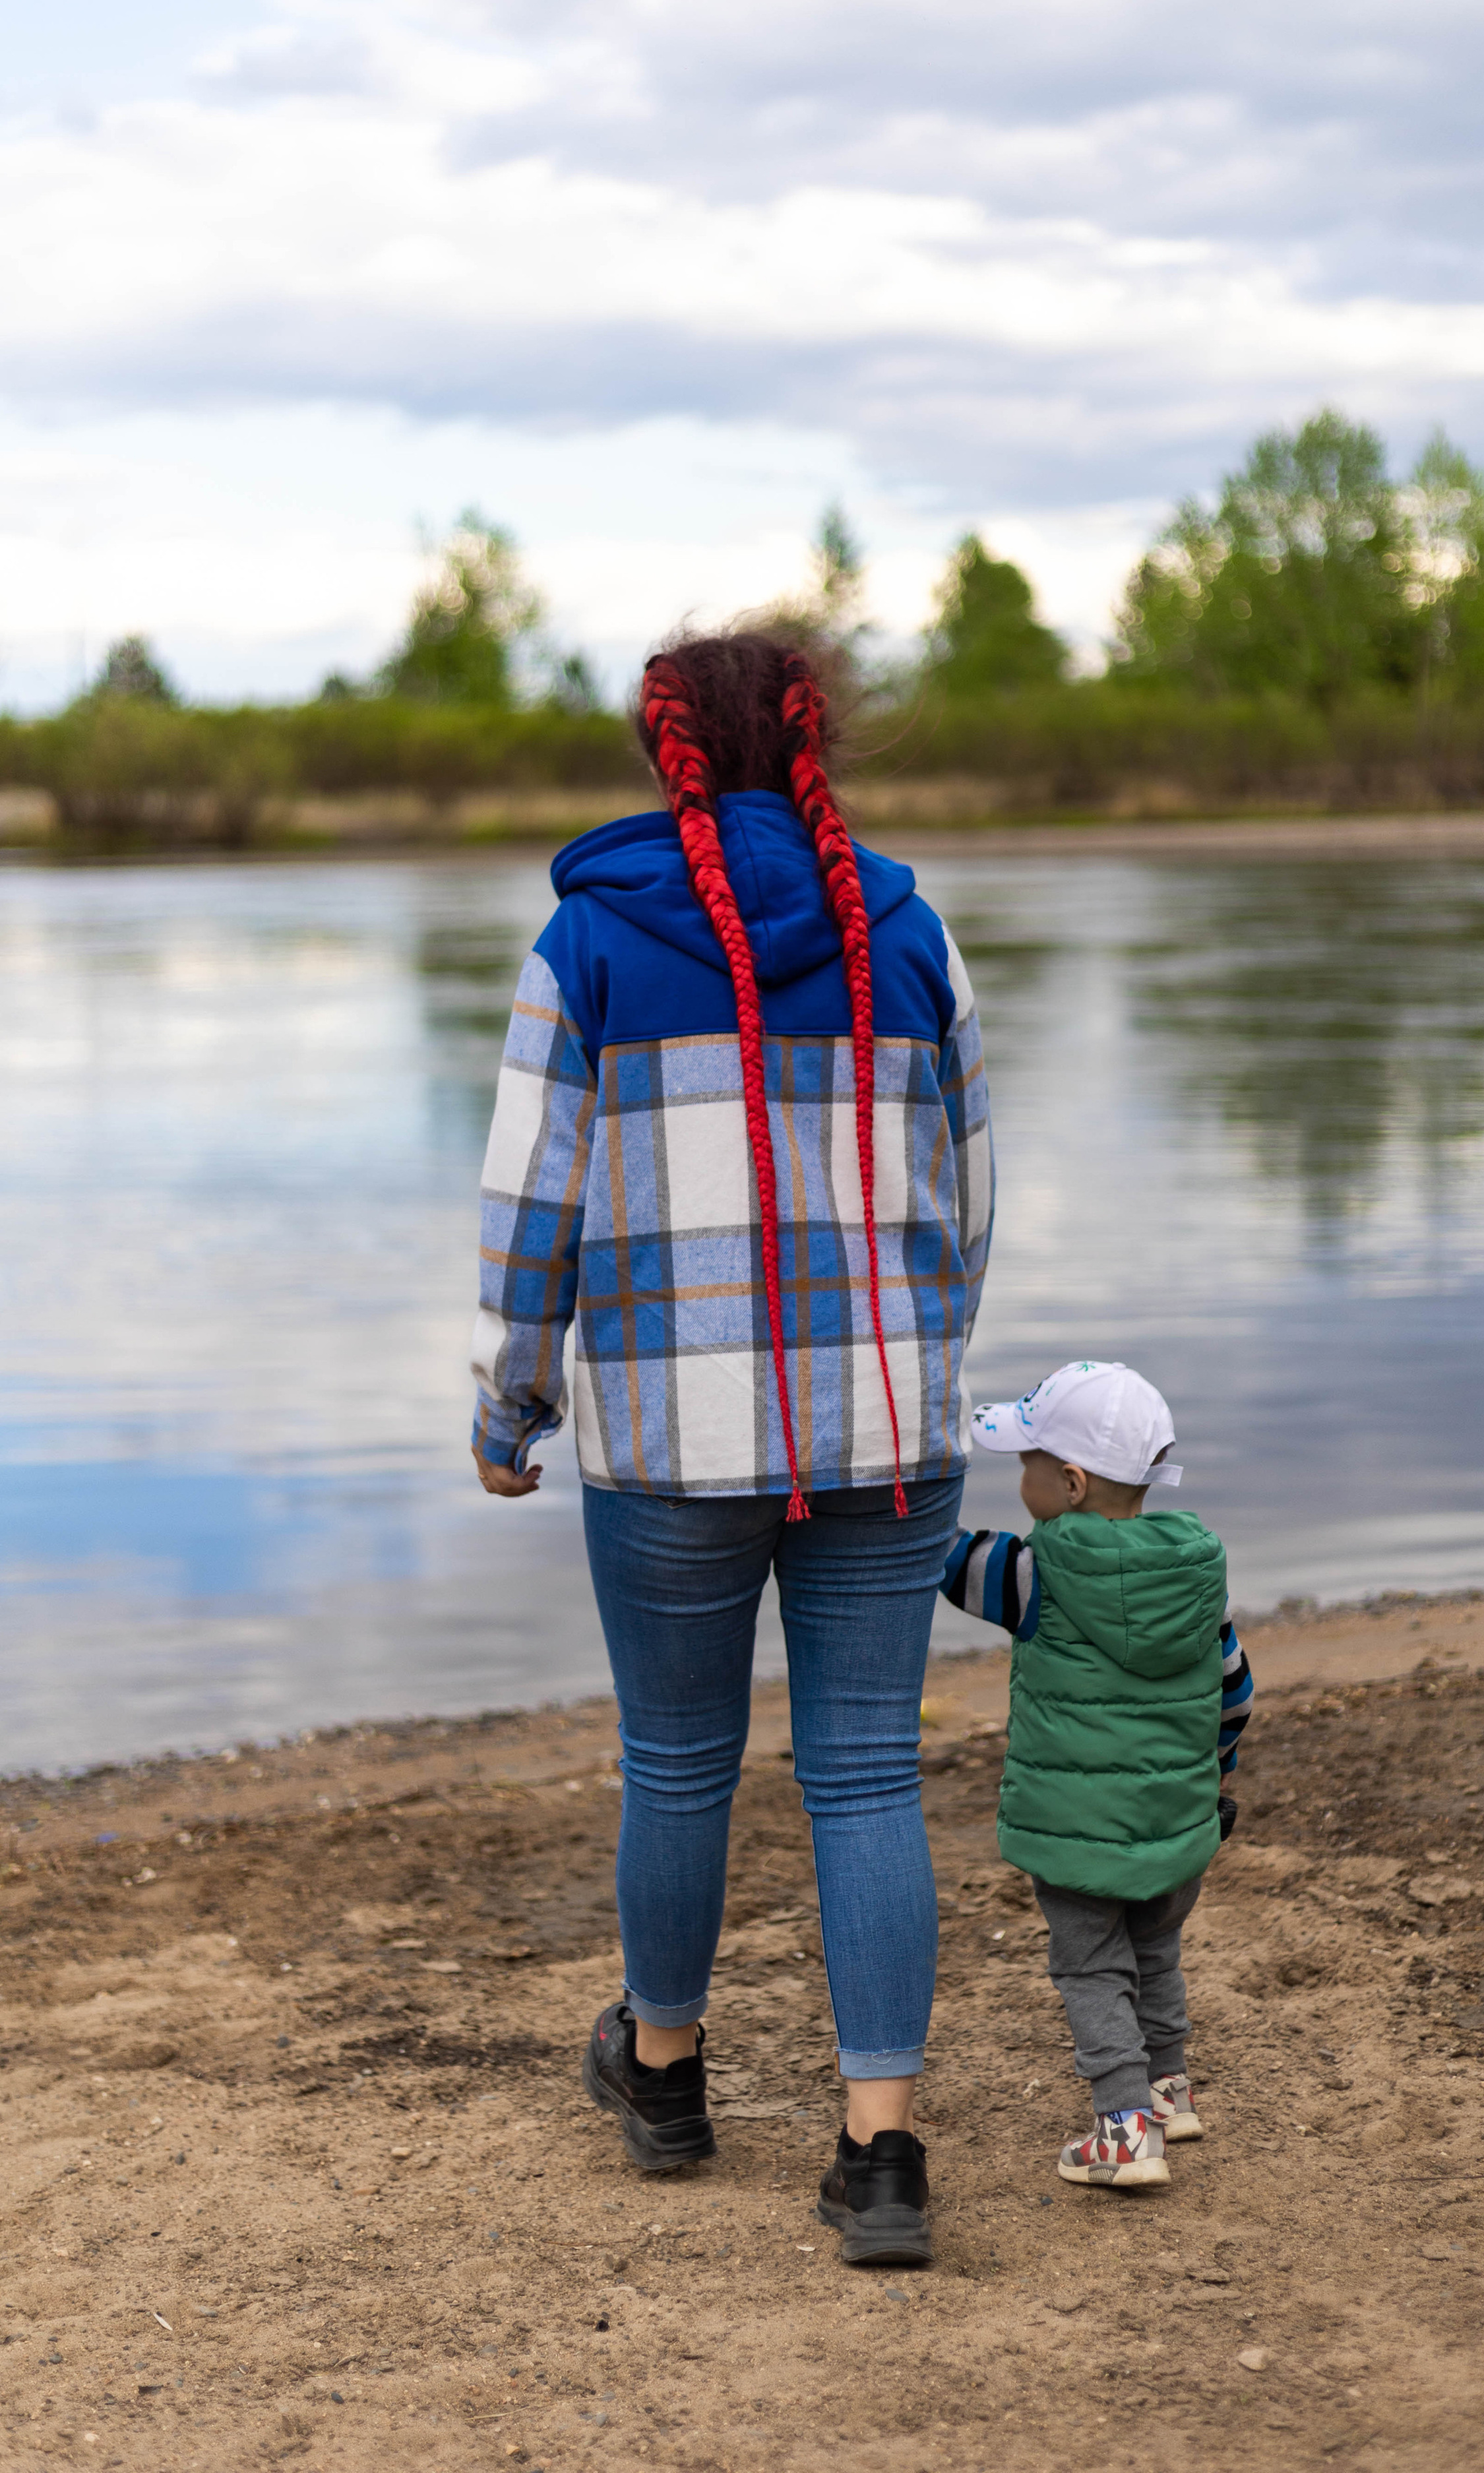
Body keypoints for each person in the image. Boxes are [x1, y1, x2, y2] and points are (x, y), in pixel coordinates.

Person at [469, 633, 993, 2267]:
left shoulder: (588, 940)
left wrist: (510, 1401)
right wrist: (918, 1357)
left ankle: (668, 2077)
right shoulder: (902, 930)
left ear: (665, 751)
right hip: (884, 1436)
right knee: (861, 1771)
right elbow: (968, 1199)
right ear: (809, 741)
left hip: (664, 1446)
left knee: (677, 1759)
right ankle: (880, 2155)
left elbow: (528, 1202)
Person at [939, 1360, 1252, 2191]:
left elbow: (943, 1558)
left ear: (1070, 1484)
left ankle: (1124, 2129)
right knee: (1156, 1945)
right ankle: (1167, 2089)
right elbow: (1233, 1694)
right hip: (1178, 1817)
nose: (1020, 1480)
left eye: (1027, 1464)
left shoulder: (1036, 1573)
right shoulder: (1194, 1575)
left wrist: (893, 1490)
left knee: (1090, 1966)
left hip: (1076, 1828)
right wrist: (1212, 1786)